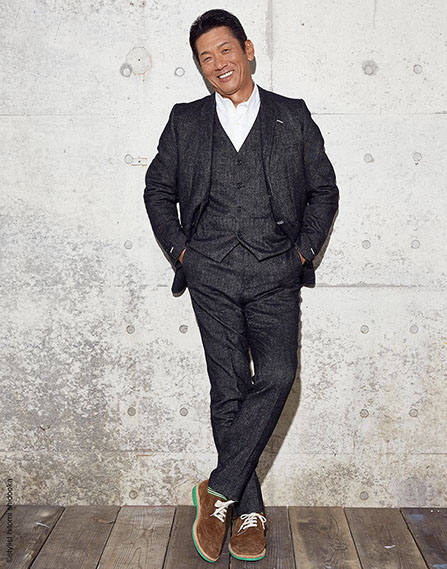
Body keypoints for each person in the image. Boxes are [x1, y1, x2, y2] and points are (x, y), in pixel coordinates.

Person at [143, 8, 339, 563]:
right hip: (210, 272)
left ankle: (219, 490)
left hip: (276, 270)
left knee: (277, 375)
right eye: (206, 58)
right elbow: (157, 190)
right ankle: (248, 510)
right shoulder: (185, 120)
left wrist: (301, 254)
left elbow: (324, 190)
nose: (218, 63)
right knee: (228, 388)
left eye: (225, 50)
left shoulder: (291, 116)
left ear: (248, 50)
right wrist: (183, 253)